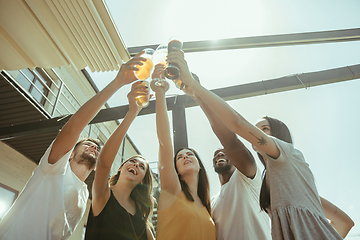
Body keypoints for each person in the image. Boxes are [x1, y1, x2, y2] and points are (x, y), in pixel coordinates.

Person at [166, 48, 355, 239]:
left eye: (264, 129)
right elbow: (344, 222)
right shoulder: (275, 186)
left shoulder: (287, 154)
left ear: (279, 133)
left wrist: (195, 88)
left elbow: (235, 129)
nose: (256, 134)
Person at [0, 52, 149, 240]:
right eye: (87, 144)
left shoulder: (84, 193)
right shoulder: (54, 167)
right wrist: (118, 82)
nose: (94, 147)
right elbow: (73, 128)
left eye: (96, 147)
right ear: (70, 154)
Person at [182, 76, 271, 240]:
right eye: (216, 154)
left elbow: (230, 140)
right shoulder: (212, 203)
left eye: (225, 152)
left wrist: (197, 94)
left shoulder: (249, 179)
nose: (220, 154)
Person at [150, 65, 216, 240]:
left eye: (190, 154)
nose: (185, 156)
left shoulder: (207, 207)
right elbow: (165, 143)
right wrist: (160, 93)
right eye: (179, 157)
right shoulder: (172, 190)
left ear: (200, 166)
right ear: (175, 169)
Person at [84, 82, 155, 240]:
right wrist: (132, 112)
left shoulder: (141, 217)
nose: (136, 164)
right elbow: (103, 164)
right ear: (120, 168)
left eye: (142, 166)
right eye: (132, 161)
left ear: (143, 180)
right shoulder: (104, 194)